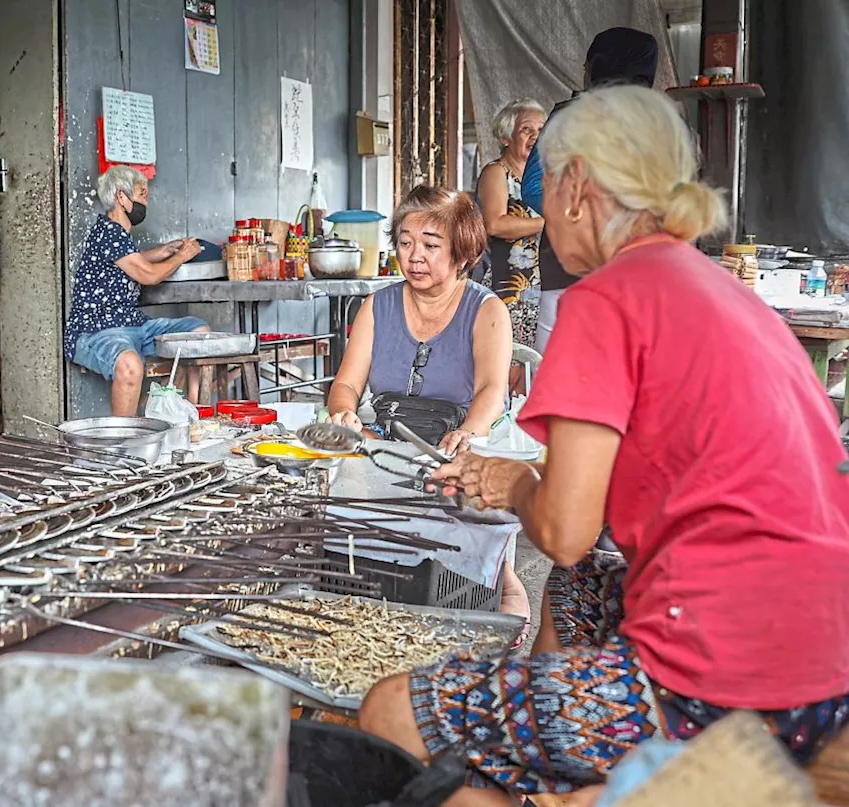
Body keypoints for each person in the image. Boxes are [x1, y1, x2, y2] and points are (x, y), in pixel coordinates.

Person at [360, 85, 849, 805]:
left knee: (388, 713)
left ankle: (579, 758)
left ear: (578, 186)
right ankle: (569, 765)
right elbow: (602, 522)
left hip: (725, 679)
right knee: (581, 583)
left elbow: (561, 528)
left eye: (546, 181)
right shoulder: (726, 293)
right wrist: (519, 476)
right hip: (827, 663)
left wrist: (509, 484)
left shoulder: (608, 296)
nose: (540, 201)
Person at [325, 186, 530, 639]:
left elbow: (493, 390)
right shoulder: (377, 306)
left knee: (476, 492)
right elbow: (345, 385)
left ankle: (500, 573)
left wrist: (468, 435)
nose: (414, 256)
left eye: (431, 245)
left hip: (455, 441)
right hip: (385, 440)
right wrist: (344, 416)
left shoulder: (487, 309)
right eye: (404, 241)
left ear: (461, 254)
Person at [522, 26, 659, 354]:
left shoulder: (569, 118)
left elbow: (532, 188)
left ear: (601, 65)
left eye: (587, 66)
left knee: (555, 377)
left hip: (568, 271)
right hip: (640, 276)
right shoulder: (661, 125)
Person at [65, 166, 209, 415]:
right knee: (129, 365)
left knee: (198, 332)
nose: (146, 200)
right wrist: (182, 256)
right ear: (122, 197)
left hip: (133, 324)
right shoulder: (109, 233)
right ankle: (126, 443)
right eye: (142, 194)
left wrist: (165, 250)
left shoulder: (117, 233)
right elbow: (148, 275)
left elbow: (130, 259)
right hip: (97, 330)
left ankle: (180, 411)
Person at [477, 99, 546, 346]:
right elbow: (494, 224)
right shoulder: (497, 172)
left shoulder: (543, 178)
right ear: (506, 137)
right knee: (511, 362)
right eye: (527, 130)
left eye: (541, 130)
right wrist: (547, 223)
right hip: (509, 285)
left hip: (540, 285)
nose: (536, 137)